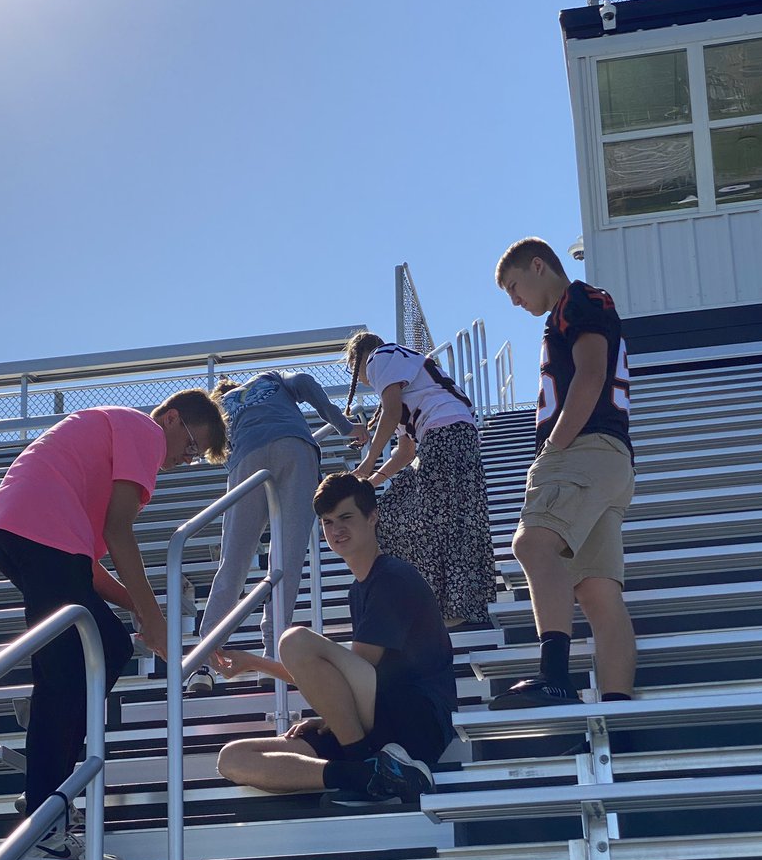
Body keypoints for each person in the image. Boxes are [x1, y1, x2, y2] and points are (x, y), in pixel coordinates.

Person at [0, 391, 229, 860]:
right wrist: (154, 617)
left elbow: (87, 568)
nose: (185, 458)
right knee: (63, 673)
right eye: (193, 445)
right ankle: (43, 811)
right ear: (173, 419)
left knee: (110, 646)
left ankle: (46, 788)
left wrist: (142, 611)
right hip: (37, 534)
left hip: (25, 533)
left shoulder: (94, 454)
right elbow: (119, 533)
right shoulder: (143, 430)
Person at [214, 472, 457, 805]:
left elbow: (349, 671)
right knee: (232, 757)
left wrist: (331, 706)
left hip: (415, 721)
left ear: (373, 517)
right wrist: (332, 712)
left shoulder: (393, 578)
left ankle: (362, 760)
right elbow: (346, 678)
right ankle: (368, 777)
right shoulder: (358, 589)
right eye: (328, 522)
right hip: (375, 726)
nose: (336, 530)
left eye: (346, 518)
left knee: (294, 640)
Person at [490, 236, 636, 710]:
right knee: (596, 592)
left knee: (530, 542)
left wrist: (553, 446)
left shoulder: (578, 299)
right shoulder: (570, 309)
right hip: (607, 458)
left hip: (584, 448)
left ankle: (552, 674)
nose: (515, 300)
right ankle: (618, 717)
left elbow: (591, 374)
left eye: (515, 286)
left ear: (538, 266)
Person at [185, 370, 368, 694]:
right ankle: (272, 653)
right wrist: (345, 426)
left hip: (248, 460)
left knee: (234, 561)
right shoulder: (270, 378)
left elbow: (211, 451)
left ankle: (203, 661)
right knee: (286, 557)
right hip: (294, 446)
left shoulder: (223, 407)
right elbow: (307, 383)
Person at [343, 331, 495, 628]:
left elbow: (391, 413)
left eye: (352, 367)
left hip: (443, 435)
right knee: (452, 519)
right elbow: (405, 452)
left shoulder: (380, 357)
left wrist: (366, 463)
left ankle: (442, 603)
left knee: (398, 516)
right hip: (456, 436)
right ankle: (452, 603)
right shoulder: (408, 373)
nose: (357, 376)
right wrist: (369, 483)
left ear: (357, 358)